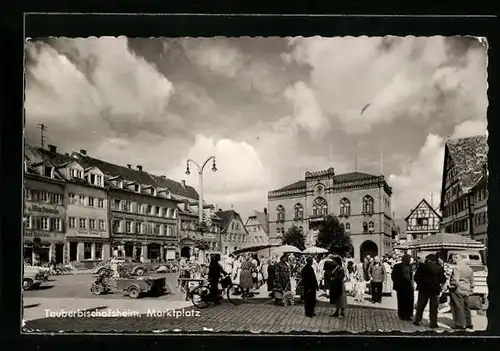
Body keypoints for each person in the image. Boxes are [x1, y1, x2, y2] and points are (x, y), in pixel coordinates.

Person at [413, 254, 446, 329]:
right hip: (434, 290)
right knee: (434, 307)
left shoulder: (422, 267)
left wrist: (420, 283)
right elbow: (443, 279)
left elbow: (416, 277)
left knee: (420, 305)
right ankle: (433, 323)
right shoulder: (439, 268)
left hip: (423, 289)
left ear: (428, 260)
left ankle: (417, 320)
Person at [449, 254, 475, 330]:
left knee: (458, 306)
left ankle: (460, 325)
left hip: (458, 290)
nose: (453, 261)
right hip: (466, 289)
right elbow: (472, 281)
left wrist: (450, 286)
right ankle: (468, 324)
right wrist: (471, 289)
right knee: (466, 307)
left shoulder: (457, 268)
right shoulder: (469, 268)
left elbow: (455, 281)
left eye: (453, 259)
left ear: (456, 258)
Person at [391, 254, 414, 320]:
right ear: (404, 259)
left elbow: (411, 276)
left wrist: (412, 284)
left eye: (410, 259)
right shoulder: (397, 266)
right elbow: (393, 276)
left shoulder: (410, 266)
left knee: (409, 301)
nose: (409, 261)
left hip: (409, 286)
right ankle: (402, 315)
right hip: (401, 287)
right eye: (408, 259)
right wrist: (398, 283)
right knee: (401, 301)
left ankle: (408, 315)